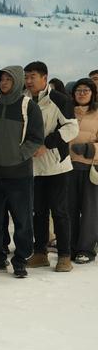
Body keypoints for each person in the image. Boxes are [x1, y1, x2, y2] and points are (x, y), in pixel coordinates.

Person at [0, 66, 45, 278]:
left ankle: (21, 260)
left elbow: (36, 138)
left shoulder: (29, 106)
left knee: (22, 220)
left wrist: (19, 155)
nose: (4, 83)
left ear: (16, 81)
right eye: (1, 79)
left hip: (19, 175)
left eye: (8, 79)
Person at [23, 62, 79, 272]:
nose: (29, 81)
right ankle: (40, 253)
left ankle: (64, 256)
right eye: (26, 77)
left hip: (57, 166)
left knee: (60, 212)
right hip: (33, 166)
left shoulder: (60, 99)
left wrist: (47, 144)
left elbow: (72, 128)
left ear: (44, 78)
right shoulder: (23, 100)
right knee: (38, 212)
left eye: (33, 76)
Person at [69, 78, 98, 264]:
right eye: (78, 90)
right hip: (67, 167)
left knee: (89, 210)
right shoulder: (67, 112)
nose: (81, 93)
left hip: (90, 167)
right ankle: (70, 246)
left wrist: (90, 149)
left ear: (93, 93)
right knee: (69, 209)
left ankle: (86, 249)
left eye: (86, 90)